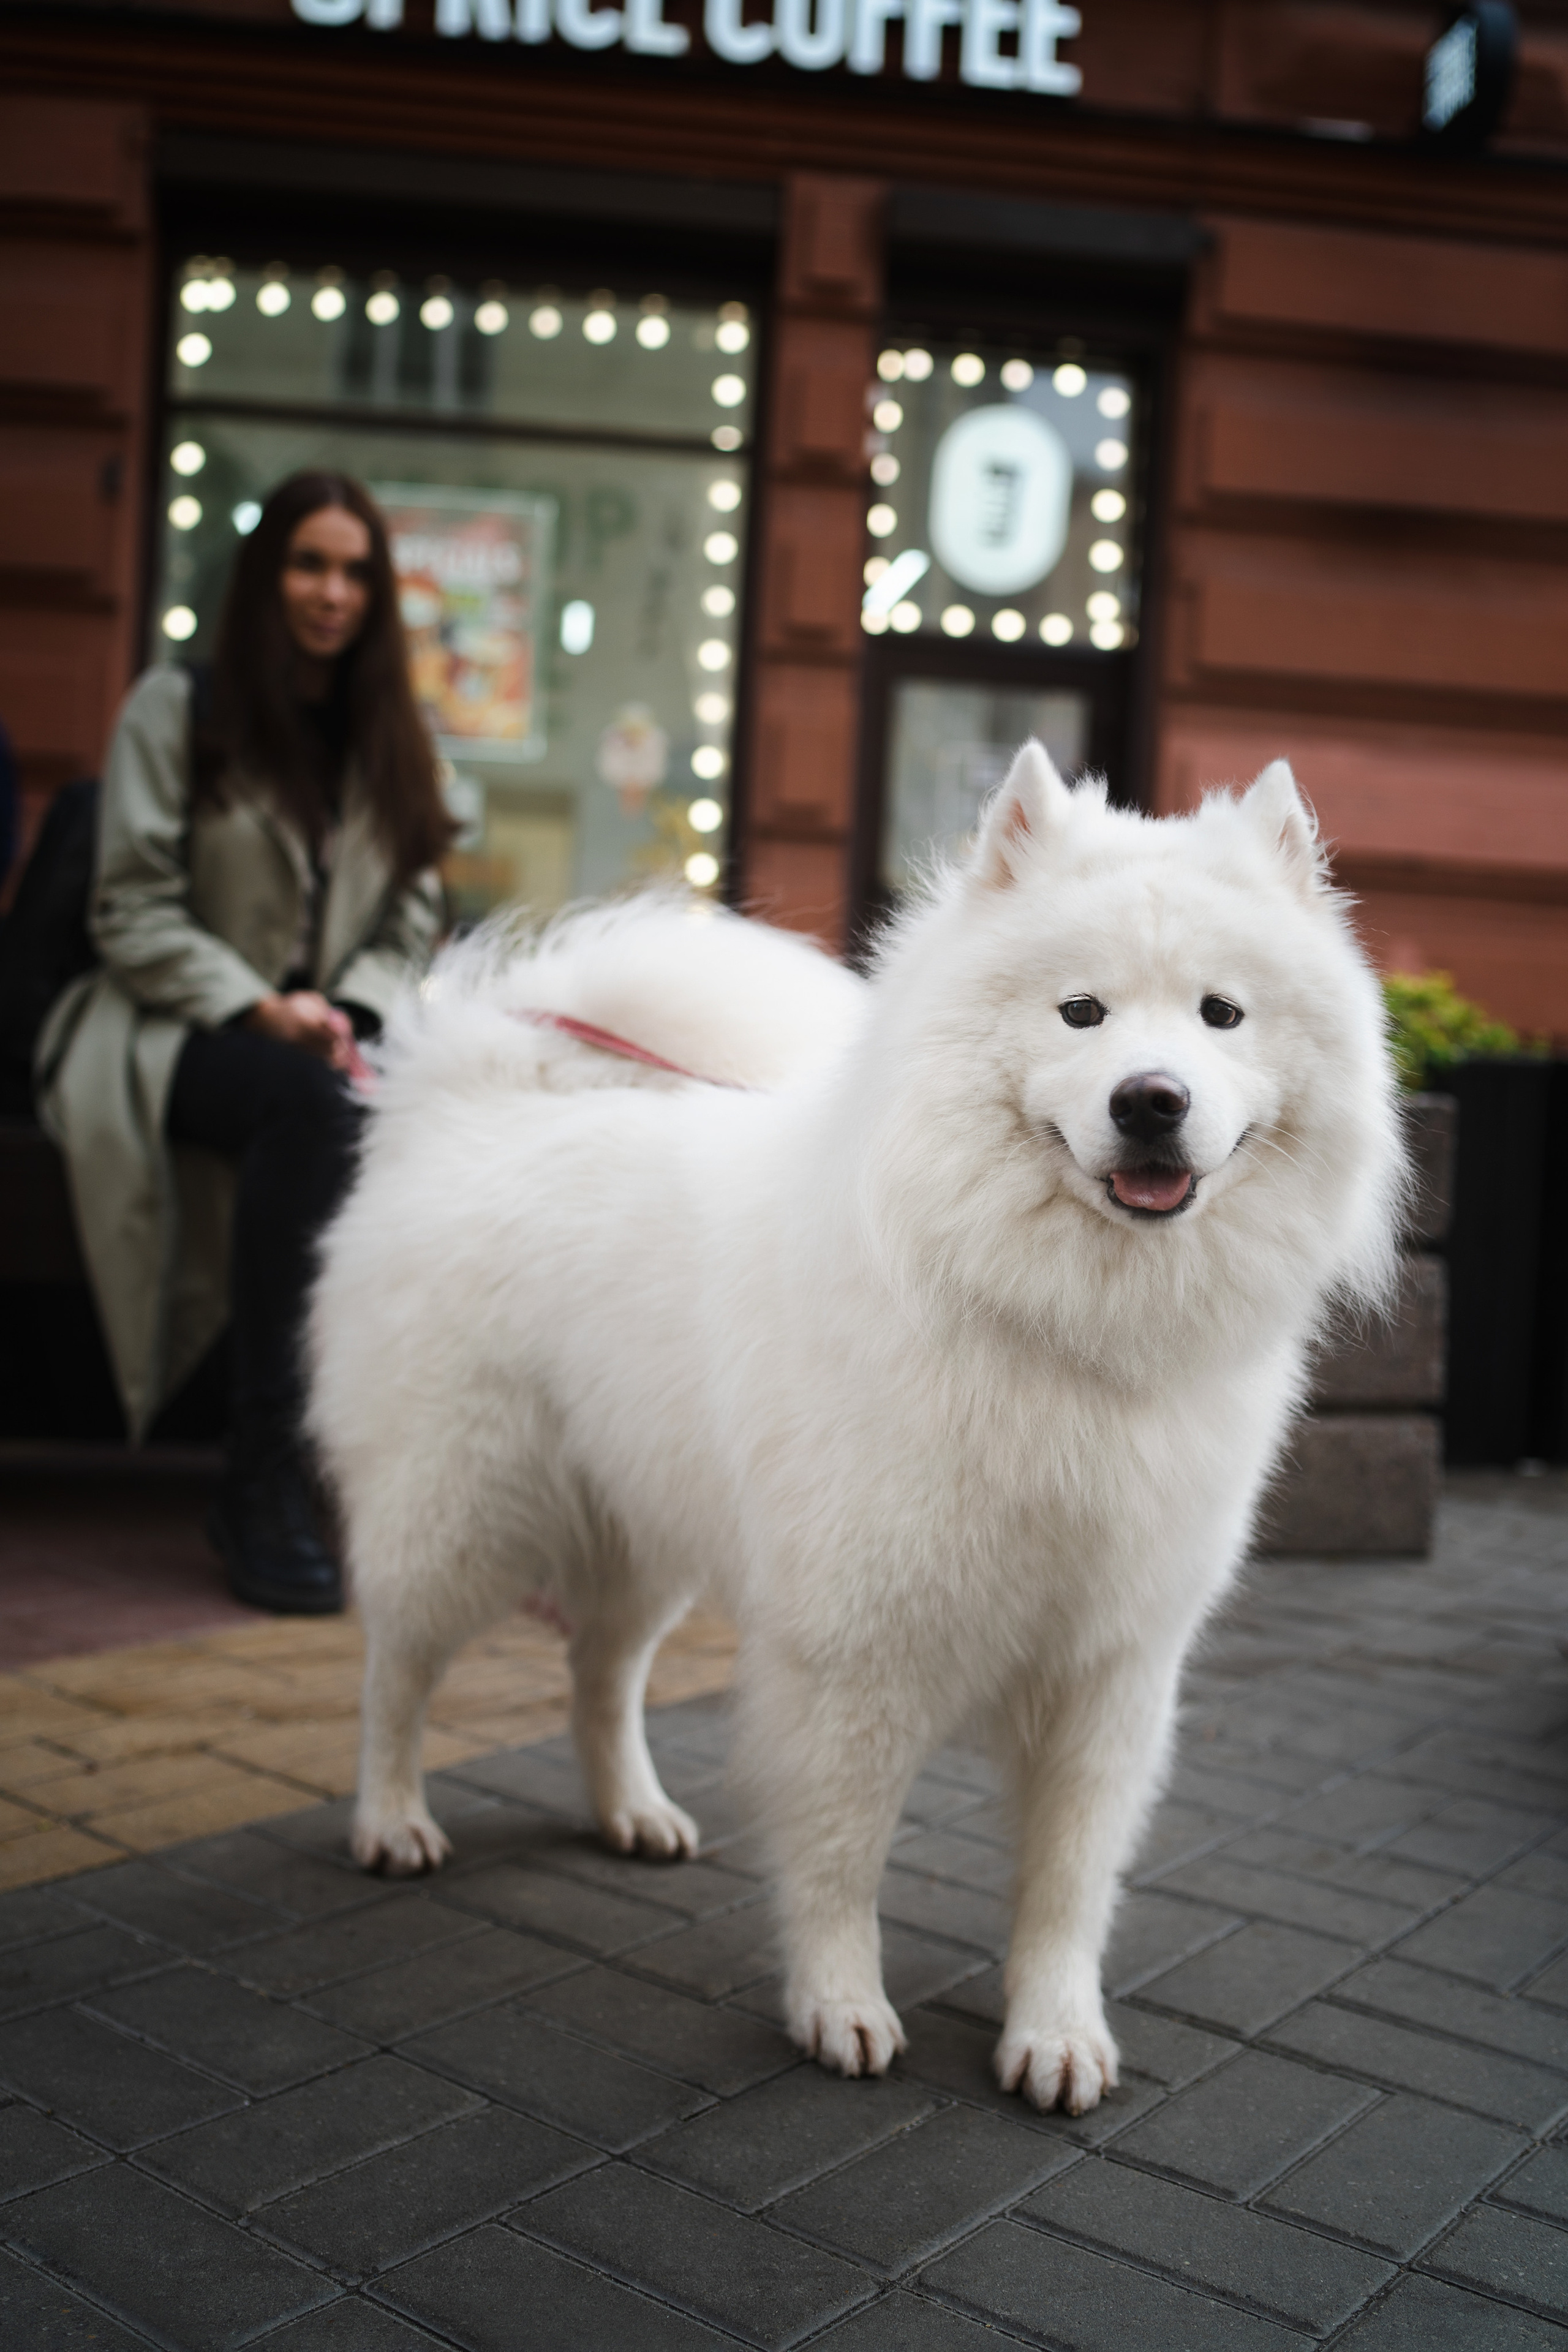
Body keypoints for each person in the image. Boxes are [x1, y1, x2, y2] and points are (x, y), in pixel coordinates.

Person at [36, 472, 451, 1613]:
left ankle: (408, 1461)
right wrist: (261, 1007)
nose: (332, 591)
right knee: (304, 1108)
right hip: (165, 1026)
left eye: (356, 570)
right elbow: (130, 906)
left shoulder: (391, 742)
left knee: (436, 1127)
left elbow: (411, 918)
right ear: (267, 578)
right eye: (309, 565)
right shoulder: (176, 709)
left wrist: (352, 1011)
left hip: (330, 1037)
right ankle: (262, 1469)